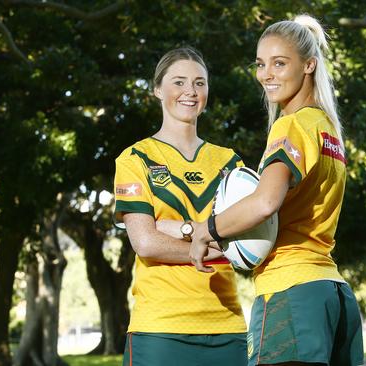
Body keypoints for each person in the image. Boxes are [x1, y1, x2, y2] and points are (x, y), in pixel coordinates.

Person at [188, 15, 364, 366]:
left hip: (292, 292)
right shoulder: (328, 129)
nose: (266, 74)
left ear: (309, 65)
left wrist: (207, 230)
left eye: (279, 63)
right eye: (260, 64)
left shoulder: (292, 125)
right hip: (334, 294)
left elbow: (265, 201)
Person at [113, 47, 247, 366]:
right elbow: (145, 243)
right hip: (160, 330)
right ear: (158, 89)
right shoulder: (135, 158)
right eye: (179, 82)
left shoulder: (232, 163)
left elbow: (251, 241)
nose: (190, 91)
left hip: (227, 328)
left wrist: (178, 228)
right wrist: (216, 240)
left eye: (200, 83)